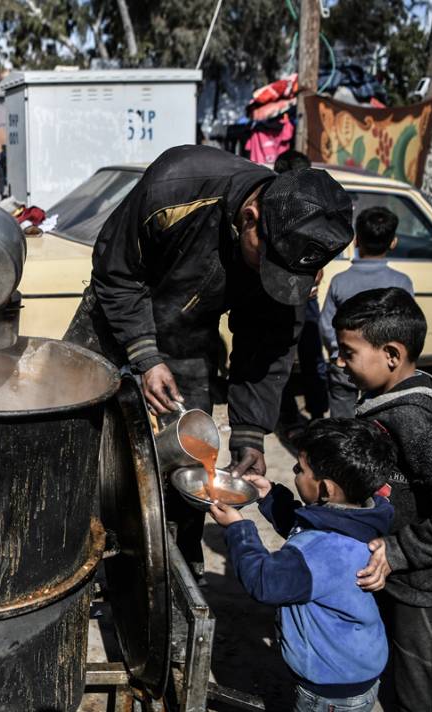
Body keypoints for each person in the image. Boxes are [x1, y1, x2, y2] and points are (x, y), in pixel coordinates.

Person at [63, 145, 354, 577]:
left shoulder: (292, 249)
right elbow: (116, 272)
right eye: (268, 265)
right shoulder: (176, 186)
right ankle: (67, 550)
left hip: (189, 338)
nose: (271, 279)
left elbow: (268, 345)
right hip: (112, 315)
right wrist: (144, 354)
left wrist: (250, 434)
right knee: (74, 439)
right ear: (250, 219)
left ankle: (172, 574)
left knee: (189, 459)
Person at [334, 287, 432, 712]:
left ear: (392, 354)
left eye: (348, 352)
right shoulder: (390, 401)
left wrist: (397, 551)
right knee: (398, 678)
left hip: (424, 589)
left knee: (421, 692)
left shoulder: (415, 421)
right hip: (400, 577)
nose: (339, 362)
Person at [209, 418, 395, 712]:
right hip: (352, 667)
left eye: (300, 469)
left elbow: (265, 581)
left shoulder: (325, 552)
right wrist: (270, 495)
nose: (295, 472)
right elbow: (304, 527)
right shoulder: (360, 517)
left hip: (330, 690)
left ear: (326, 489)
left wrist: (237, 529)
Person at [319, 207, 413, 418]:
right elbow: (407, 328)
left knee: (342, 423)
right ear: (393, 242)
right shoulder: (401, 282)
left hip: (345, 364)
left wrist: (339, 353)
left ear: (355, 241)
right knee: (384, 419)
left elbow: (326, 325)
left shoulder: (340, 281)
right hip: (386, 368)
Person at [273, 150, 328, 427]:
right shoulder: (271, 209)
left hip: (304, 297)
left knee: (309, 356)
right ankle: (291, 416)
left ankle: (315, 416)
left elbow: (323, 252)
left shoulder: (315, 206)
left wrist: (315, 275)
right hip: (279, 295)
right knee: (281, 358)